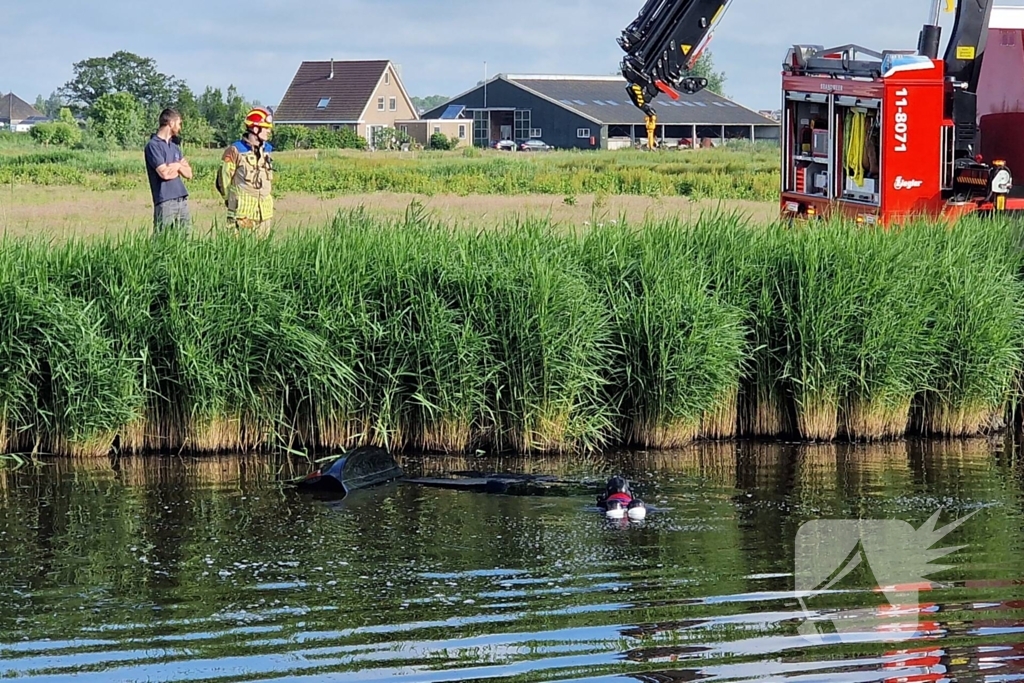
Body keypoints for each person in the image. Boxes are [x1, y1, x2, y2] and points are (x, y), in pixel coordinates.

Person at [216, 107, 275, 236]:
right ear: (255, 129)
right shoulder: (235, 150)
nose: (269, 131)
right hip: (243, 214)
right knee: (241, 252)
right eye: (266, 128)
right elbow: (223, 179)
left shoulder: (267, 151)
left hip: (264, 214)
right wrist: (229, 200)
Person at [145, 108, 193, 233]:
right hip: (165, 201)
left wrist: (176, 166)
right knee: (163, 240)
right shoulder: (153, 146)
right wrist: (179, 166)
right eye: (179, 123)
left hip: (181, 200)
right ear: (171, 123)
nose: (180, 127)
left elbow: (189, 173)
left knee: (185, 239)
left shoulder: (174, 147)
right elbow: (164, 174)